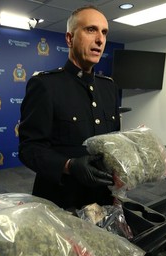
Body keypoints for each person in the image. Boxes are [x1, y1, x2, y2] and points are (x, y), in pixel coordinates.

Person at [18, 6, 121, 210]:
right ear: (69, 38)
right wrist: (69, 166)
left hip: (102, 201)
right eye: (91, 30)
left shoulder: (109, 87)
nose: (100, 39)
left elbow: (113, 143)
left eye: (104, 32)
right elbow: (29, 149)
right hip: (60, 202)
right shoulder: (45, 85)